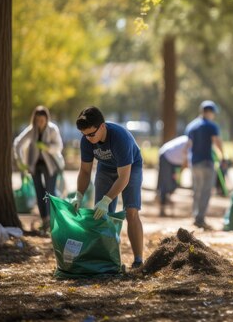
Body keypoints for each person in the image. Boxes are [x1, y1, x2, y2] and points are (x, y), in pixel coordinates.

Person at [70, 107, 144, 269]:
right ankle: (108, 260)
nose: (88, 138)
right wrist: (79, 195)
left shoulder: (120, 138)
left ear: (102, 126)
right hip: (105, 167)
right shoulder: (86, 140)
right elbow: (84, 171)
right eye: (84, 135)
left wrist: (107, 199)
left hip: (131, 167)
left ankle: (138, 260)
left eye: (91, 134)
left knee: (131, 211)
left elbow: (124, 177)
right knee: (101, 214)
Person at [13, 106, 65, 235]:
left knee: (50, 192)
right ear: (34, 120)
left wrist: (46, 147)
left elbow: (59, 146)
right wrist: (21, 162)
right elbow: (18, 143)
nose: (40, 123)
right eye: (37, 120)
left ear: (46, 119)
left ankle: (53, 222)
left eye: (42, 120)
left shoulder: (53, 129)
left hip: (50, 166)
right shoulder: (32, 130)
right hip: (35, 165)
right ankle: (45, 221)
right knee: (39, 192)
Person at [184, 100, 225, 230]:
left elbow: (187, 145)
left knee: (197, 190)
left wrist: (185, 160)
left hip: (194, 163)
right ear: (210, 112)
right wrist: (222, 156)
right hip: (207, 162)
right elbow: (217, 142)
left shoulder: (191, 126)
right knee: (206, 191)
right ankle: (200, 219)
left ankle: (195, 215)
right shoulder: (211, 126)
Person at [156, 135, 188, 217]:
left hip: (175, 160)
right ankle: (162, 207)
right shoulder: (191, 141)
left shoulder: (191, 140)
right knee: (166, 182)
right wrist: (180, 172)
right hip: (166, 155)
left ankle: (167, 196)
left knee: (175, 182)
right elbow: (186, 161)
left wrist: (179, 174)